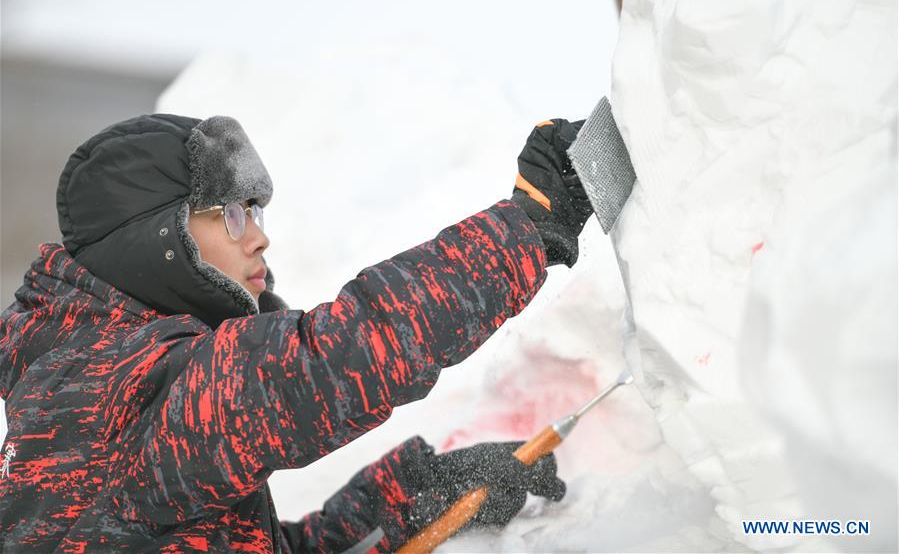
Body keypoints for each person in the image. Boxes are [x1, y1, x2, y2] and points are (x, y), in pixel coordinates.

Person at [0, 112, 602, 552]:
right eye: (230, 215)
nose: (258, 237)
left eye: (255, 212)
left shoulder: (104, 378)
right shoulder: (107, 388)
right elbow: (335, 362)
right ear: (154, 239)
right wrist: (526, 230)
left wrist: (414, 495)